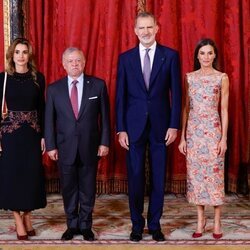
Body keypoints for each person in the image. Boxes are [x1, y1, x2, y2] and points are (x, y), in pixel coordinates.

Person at [116, 12, 181, 242]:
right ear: (135, 31)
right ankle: (136, 225)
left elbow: (177, 94)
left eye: (149, 27)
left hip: (161, 127)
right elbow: (120, 96)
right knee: (134, 177)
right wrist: (120, 128)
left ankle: (154, 225)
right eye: (141, 28)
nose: (145, 32)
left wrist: (174, 126)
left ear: (157, 28)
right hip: (133, 127)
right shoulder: (125, 58)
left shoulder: (170, 56)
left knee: (158, 178)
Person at [45, 47, 110, 241]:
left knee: (88, 188)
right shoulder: (54, 89)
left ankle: (85, 225)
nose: (74, 64)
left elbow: (105, 118)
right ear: (63, 64)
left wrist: (104, 142)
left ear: (84, 62)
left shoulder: (97, 85)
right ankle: (72, 225)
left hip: (90, 146)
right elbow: (49, 121)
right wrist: (51, 146)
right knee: (69, 188)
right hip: (64, 148)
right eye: (70, 61)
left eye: (78, 60)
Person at [178, 38, 229, 239]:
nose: (206, 57)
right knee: (197, 176)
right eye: (202, 53)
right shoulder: (189, 77)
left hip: (213, 132)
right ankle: (201, 219)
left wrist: (223, 138)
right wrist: (182, 137)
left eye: (209, 53)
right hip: (193, 133)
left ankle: (217, 221)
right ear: (197, 56)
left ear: (215, 55)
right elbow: (185, 108)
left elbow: (224, 109)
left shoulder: (221, 77)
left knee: (215, 176)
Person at [0, 38, 47, 240]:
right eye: (17, 52)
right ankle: (17, 217)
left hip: (32, 134)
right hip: (10, 136)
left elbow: (42, 109)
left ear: (29, 55)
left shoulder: (39, 78)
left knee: (31, 176)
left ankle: (27, 214)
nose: (21, 56)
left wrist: (44, 135)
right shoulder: (2, 78)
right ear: (12, 55)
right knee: (12, 176)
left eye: (24, 52)